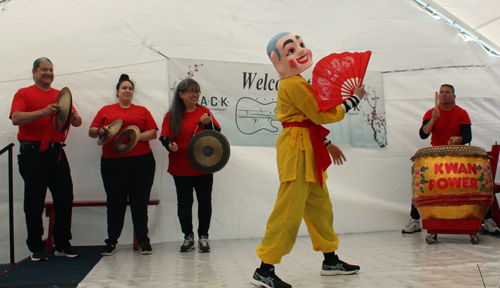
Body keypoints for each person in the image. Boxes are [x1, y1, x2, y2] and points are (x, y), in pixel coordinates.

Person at [250, 32, 364, 288]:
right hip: (297, 150)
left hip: (307, 146)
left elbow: (307, 119)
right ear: (276, 60)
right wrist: (353, 100)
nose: (300, 51)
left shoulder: (298, 82)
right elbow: (320, 115)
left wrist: (326, 143)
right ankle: (264, 269)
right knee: (288, 210)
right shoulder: (293, 84)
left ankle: (330, 259)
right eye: (290, 50)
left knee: (320, 207)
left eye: (301, 45)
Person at [10, 57, 83, 261]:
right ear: (33, 72)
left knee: (65, 197)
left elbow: (77, 122)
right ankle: (37, 247)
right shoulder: (24, 93)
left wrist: (73, 117)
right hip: (32, 153)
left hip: (56, 152)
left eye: (51, 70)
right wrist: (43, 112)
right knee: (34, 201)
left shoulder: (60, 95)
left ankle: (62, 243)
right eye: (44, 69)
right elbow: (16, 118)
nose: (48, 73)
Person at [402, 84, 500, 234]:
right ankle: (415, 220)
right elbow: (423, 134)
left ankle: (487, 220)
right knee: (424, 185)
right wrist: (433, 120)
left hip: (458, 157)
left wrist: (458, 139)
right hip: (436, 158)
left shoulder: (461, 113)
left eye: (448, 92)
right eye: (441, 92)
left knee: (474, 183)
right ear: (438, 96)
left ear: (454, 96)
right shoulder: (431, 113)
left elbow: (468, 136)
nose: (444, 95)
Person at [89, 74, 158, 255]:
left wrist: (133, 138)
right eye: (124, 88)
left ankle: (144, 240)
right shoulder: (106, 110)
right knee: (115, 203)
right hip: (113, 162)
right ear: (117, 92)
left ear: (133, 92)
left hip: (141, 161)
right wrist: (100, 130)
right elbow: (91, 132)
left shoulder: (142, 111)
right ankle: (111, 242)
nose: (127, 91)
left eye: (130, 88)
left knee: (139, 202)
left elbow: (152, 133)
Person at [159, 78, 221, 253]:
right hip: (181, 166)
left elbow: (218, 136)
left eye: (197, 91)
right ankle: (188, 237)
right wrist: (169, 144)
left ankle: (203, 237)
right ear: (181, 94)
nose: (195, 94)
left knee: (204, 202)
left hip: (204, 166)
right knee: (184, 204)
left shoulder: (204, 112)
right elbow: (164, 136)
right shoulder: (172, 115)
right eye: (191, 91)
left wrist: (209, 124)